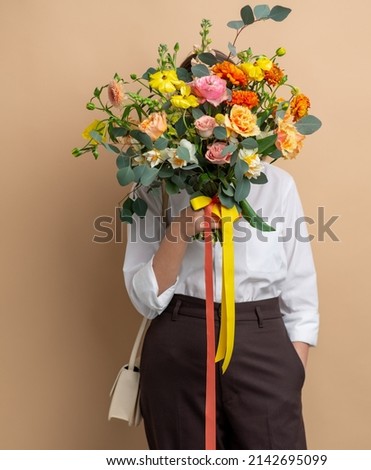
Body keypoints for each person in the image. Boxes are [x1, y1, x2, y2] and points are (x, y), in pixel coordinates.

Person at [122, 54, 320, 451]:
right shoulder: (153, 185)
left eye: (222, 97)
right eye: (194, 98)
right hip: (180, 341)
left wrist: (289, 369)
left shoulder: (276, 184)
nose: (210, 109)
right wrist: (180, 228)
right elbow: (145, 300)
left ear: (242, 105)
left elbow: (301, 293)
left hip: (262, 337)